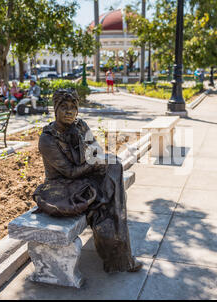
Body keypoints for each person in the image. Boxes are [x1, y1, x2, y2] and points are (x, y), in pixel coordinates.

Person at [33, 89, 143, 274]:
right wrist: (95, 164)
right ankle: (118, 256)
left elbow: (96, 151)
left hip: (82, 177)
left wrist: (98, 160)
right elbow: (69, 172)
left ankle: (117, 254)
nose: (69, 112)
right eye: (64, 107)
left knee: (114, 167)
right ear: (55, 109)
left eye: (73, 108)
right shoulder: (47, 139)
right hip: (61, 187)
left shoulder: (81, 126)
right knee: (111, 194)